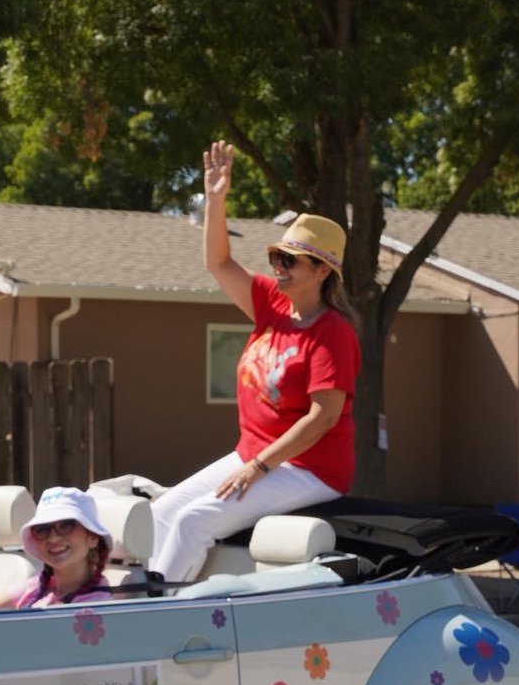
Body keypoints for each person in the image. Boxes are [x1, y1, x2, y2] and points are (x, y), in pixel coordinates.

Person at [150, 141, 362, 582]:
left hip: (311, 469)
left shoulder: (333, 333)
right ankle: (143, 596)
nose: (278, 266)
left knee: (193, 521)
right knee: (161, 512)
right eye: (275, 258)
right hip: (256, 455)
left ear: (323, 271)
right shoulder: (272, 304)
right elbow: (218, 261)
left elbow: (323, 418)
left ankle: (158, 611)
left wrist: (258, 467)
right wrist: (216, 199)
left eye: (289, 260)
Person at [10, 487, 115, 608]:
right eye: (42, 529)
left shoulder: (97, 604)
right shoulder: (36, 587)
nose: (53, 538)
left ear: (92, 538)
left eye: (66, 525)